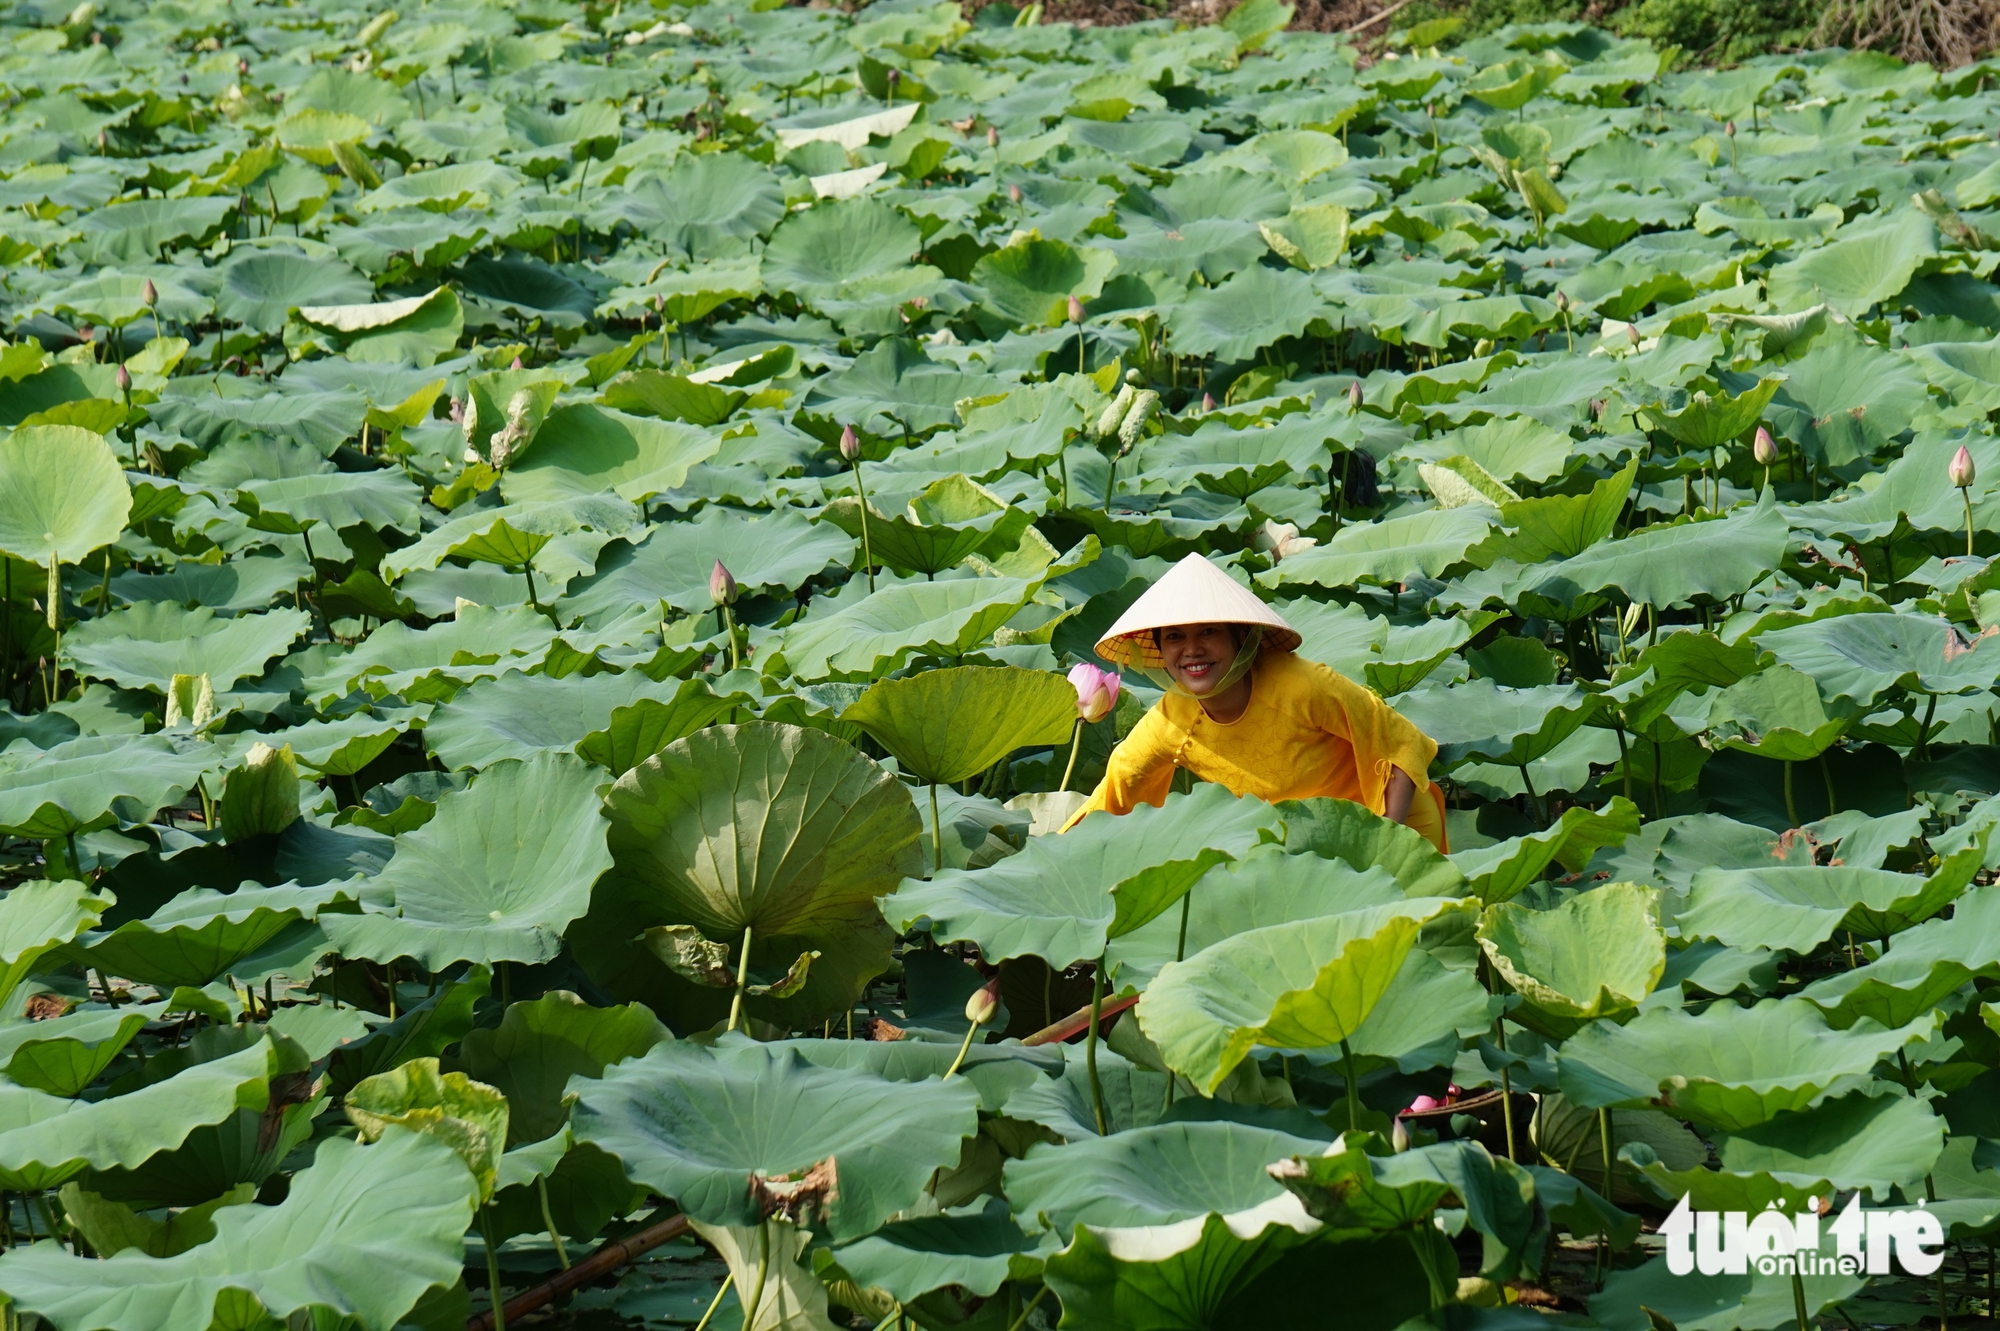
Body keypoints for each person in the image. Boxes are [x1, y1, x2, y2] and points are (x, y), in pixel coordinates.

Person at [1061, 551, 1449, 851]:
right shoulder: (1170, 723)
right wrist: (1047, 859)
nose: (1192, 650)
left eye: (1209, 632)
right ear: (1160, 650)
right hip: (1302, 845)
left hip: (1393, 821)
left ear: (1239, 638)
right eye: (1175, 637)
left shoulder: (1303, 686)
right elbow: (1112, 798)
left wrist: (1387, 843)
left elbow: (1404, 746)